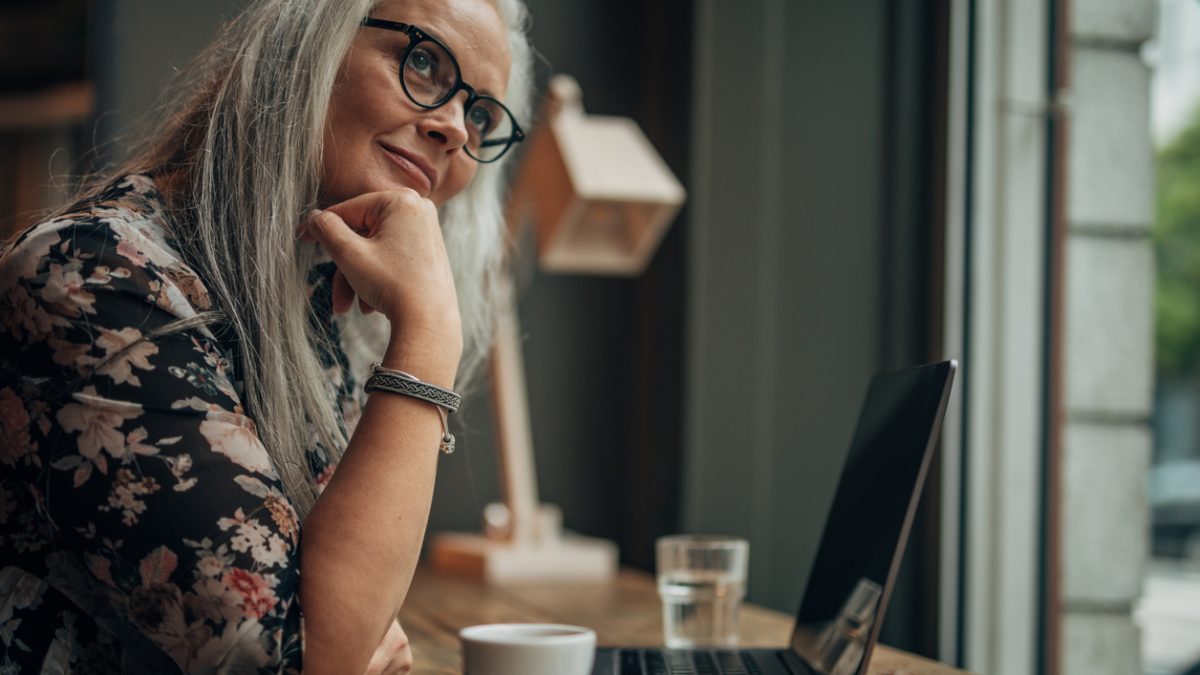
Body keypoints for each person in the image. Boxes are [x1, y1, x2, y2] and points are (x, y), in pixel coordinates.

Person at [0, 0, 533, 671]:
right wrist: (429, 332)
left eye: (482, 114)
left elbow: (353, 607)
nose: (457, 127)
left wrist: (348, 620)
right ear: (310, 44)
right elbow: (304, 654)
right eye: (423, 62)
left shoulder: (313, 310)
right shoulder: (91, 275)